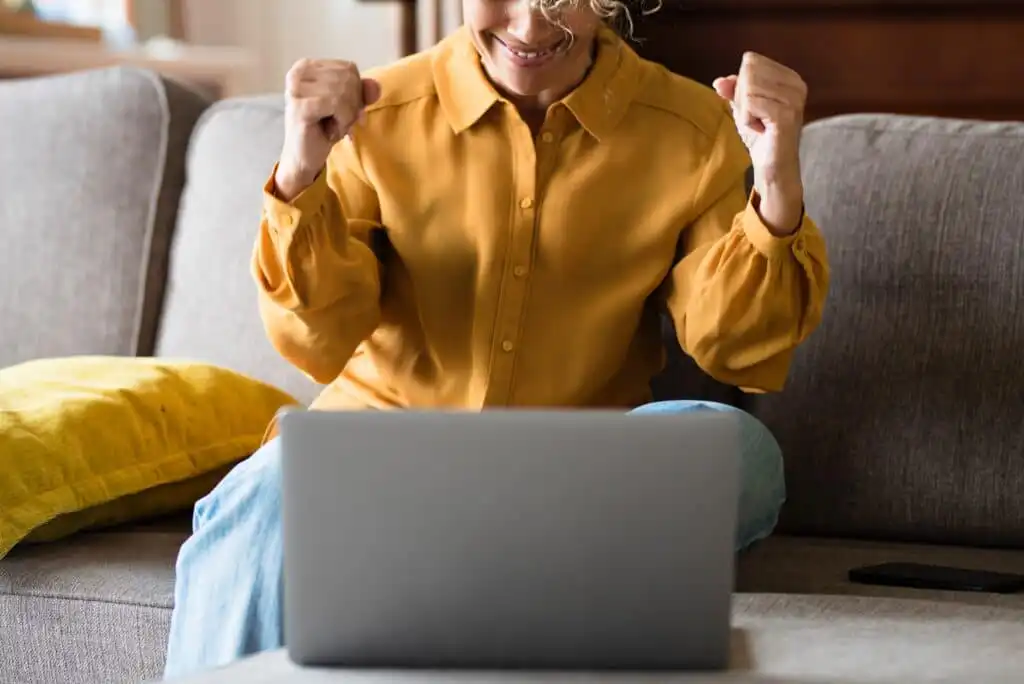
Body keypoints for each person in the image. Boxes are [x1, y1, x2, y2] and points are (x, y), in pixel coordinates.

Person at [163, 0, 829, 676]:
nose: (529, 26)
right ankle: (499, 579)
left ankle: (472, 571)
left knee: (742, 452)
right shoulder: (374, 115)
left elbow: (733, 344)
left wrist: (776, 184)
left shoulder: (692, 130)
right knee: (270, 491)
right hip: (380, 463)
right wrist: (300, 174)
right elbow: (318, 340)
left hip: (574, 477)